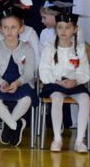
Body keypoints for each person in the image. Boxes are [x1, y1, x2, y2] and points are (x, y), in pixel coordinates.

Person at [0, 4, 38, 146]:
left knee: (26, 98)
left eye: (13, 27)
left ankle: (9, 126)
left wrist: (18, 82)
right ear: (0, 29)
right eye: (6, 27)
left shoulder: (27, 49)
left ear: (21, 29)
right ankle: (15, 125)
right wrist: (1, 82)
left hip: (21, 82)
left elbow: (29, 73)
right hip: (1, 82)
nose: (9, 31)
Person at [38, 11, 89, 153]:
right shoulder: (49, 47)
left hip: (74, 83)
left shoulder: (79, 49)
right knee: (57, 98)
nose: (63, 31)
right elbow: (43, 71)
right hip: (56, 83)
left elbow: (85, 72)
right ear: (55, 29)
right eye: (60, 27)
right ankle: (57, 139)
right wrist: (58, 82)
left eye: (67, 27)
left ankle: (79, 141)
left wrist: (75, 81)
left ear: (75, 30)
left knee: (85, 99)